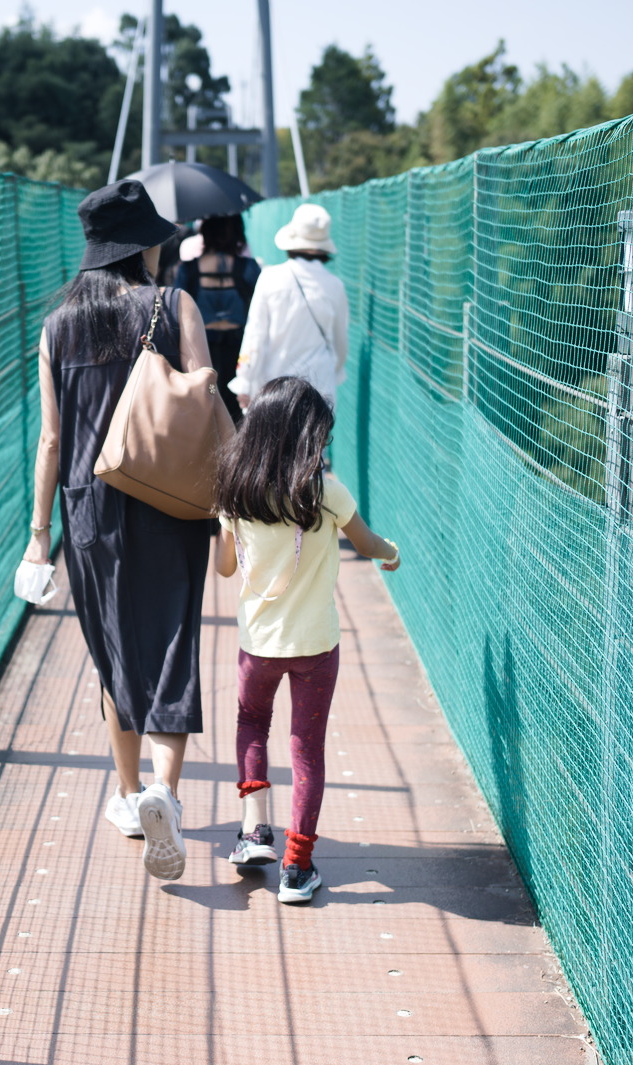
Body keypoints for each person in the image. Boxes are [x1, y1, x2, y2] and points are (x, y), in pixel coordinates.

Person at [22, 179, 217, 881]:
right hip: (168, 496)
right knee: (170, 638)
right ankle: (166, 788)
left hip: (88, 509)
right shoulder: (174, 305)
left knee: (113, 650)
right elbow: (203, 394)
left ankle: (131, 795)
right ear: (144, 247)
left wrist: (38, 535)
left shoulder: (56, 326)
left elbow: (50, 438)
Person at [213, 376, 401, 903]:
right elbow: (365, 544)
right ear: (307, 437)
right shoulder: (323, 490)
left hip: (259, 645)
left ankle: (253, 833)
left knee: (252, 725)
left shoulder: (236, 487)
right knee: (306, 751)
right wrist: (390, 551)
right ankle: (297, 869)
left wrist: (231, 534)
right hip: (316, 646)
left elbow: (225, 568)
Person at [231, 203, 348, 414]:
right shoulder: (335, 286)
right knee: (313, 446)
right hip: (320, 390)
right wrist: (335, 372)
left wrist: (245, 381)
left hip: (274, 387)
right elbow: (340, 344)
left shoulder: (270, 278)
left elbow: (255, 337)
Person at [175, 214, 261, 423]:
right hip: (241, 350)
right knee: (237, 414)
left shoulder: (189, 269)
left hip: (201, 349)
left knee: (207, 408)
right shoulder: (248, 268)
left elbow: (177, 309)